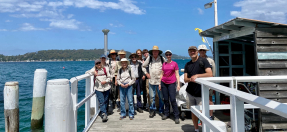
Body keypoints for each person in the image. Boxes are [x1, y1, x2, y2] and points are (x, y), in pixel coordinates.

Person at [184, 46, 213, 132]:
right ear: (189, 53)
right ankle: (196, 129)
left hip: (201, 92)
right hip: (190, 92)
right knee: (193, 112)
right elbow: (185, 79)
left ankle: (204, 129)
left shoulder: (203, 61)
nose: (192, 52)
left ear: (197, 52)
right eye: (190, 51)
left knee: (202, 112)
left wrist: (197, 76)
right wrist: (191, 79)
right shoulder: (187, 64)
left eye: (194, 51)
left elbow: (210, 74)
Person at [142, 45, 166, 118]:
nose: (155, 52)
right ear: (152, 52)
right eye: (154, 51)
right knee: (152, 97)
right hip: (151, 81)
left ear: (158, 52)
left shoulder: (162, 58)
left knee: (161, 97)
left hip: (159, 81)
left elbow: (166, 67)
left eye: (156, 51)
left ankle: (161, 110)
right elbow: (143, 66)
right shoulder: (149, 58)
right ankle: (152, 110)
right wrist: (146, 73)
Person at [159, 50, 180, 124]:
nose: (168, 56)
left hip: (172, 83)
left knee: (173, 99)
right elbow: (161, 74)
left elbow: (177, 74)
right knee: (165, 99)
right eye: (167, 54)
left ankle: (176, 116)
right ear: (165, 55)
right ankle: (166, 114)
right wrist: (159, 83)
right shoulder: (164, 64)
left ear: (171, 55)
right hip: (164, 83)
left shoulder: (174, 63)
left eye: (169, 54)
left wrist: (178, 84)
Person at [198, 44, 216, 120]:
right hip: (198, 84)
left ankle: (211, 115)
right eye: (201, 50)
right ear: (198, 51)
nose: (202, 51)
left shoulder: (211, 61)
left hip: (209, 83)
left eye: (203, 50)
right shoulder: (196, 60)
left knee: (209, 100)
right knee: (199, 101)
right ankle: (200, 117)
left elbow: (214, 73)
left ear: (205, 51)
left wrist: (213, 84)